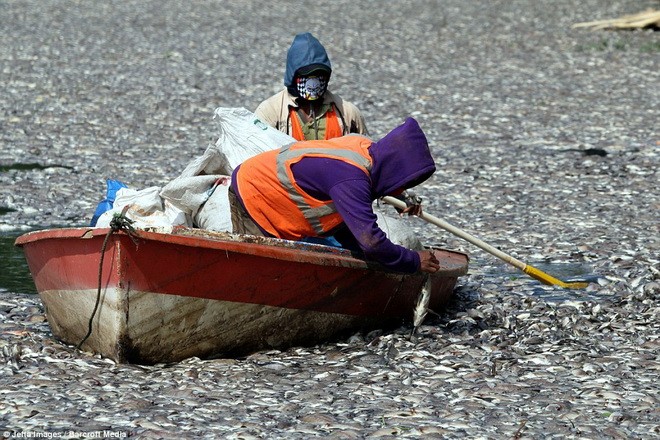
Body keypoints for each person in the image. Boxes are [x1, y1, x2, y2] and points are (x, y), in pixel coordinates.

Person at [228, 117, 440, 274]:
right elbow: (372, 242)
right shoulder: (352, 179)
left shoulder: (365, 149)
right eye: (403, 183)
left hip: (277, 192)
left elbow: (349, 225)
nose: (399, 191)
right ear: (394, 171)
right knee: (257, 271)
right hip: (254, 191)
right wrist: (413, 260)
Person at [254, 32, 368, 141]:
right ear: (292, 76)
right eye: (306, 75)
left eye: (319, 75)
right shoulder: (270, 112)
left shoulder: (347, 113)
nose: (313, 83)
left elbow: (366, 153)